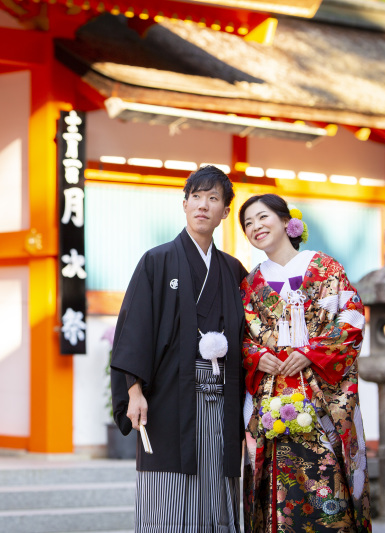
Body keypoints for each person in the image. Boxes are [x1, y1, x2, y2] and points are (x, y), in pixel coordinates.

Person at [110, 165, 248, 532]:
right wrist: (133, 391)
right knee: (167, 487)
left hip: (221, 394)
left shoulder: (233, 270)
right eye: (197, 197)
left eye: (213, 198)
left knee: (217, 479)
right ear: (184, 204)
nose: (203, 205)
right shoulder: (157, 261)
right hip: (168, 394)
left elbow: (251, 338)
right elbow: (135, 329)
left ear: (225, 211)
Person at [238, 193, 371, 532]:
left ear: (286, 221)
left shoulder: (325, 267)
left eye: (262, 217)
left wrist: (311, 353)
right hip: (273, 397)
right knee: (276, 485)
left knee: (327, 478)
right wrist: (257, 357)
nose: (256, 227)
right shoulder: (251, 284)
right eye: (248, 224)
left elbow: (351, 318)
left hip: (321, 395)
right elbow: (240, 336)